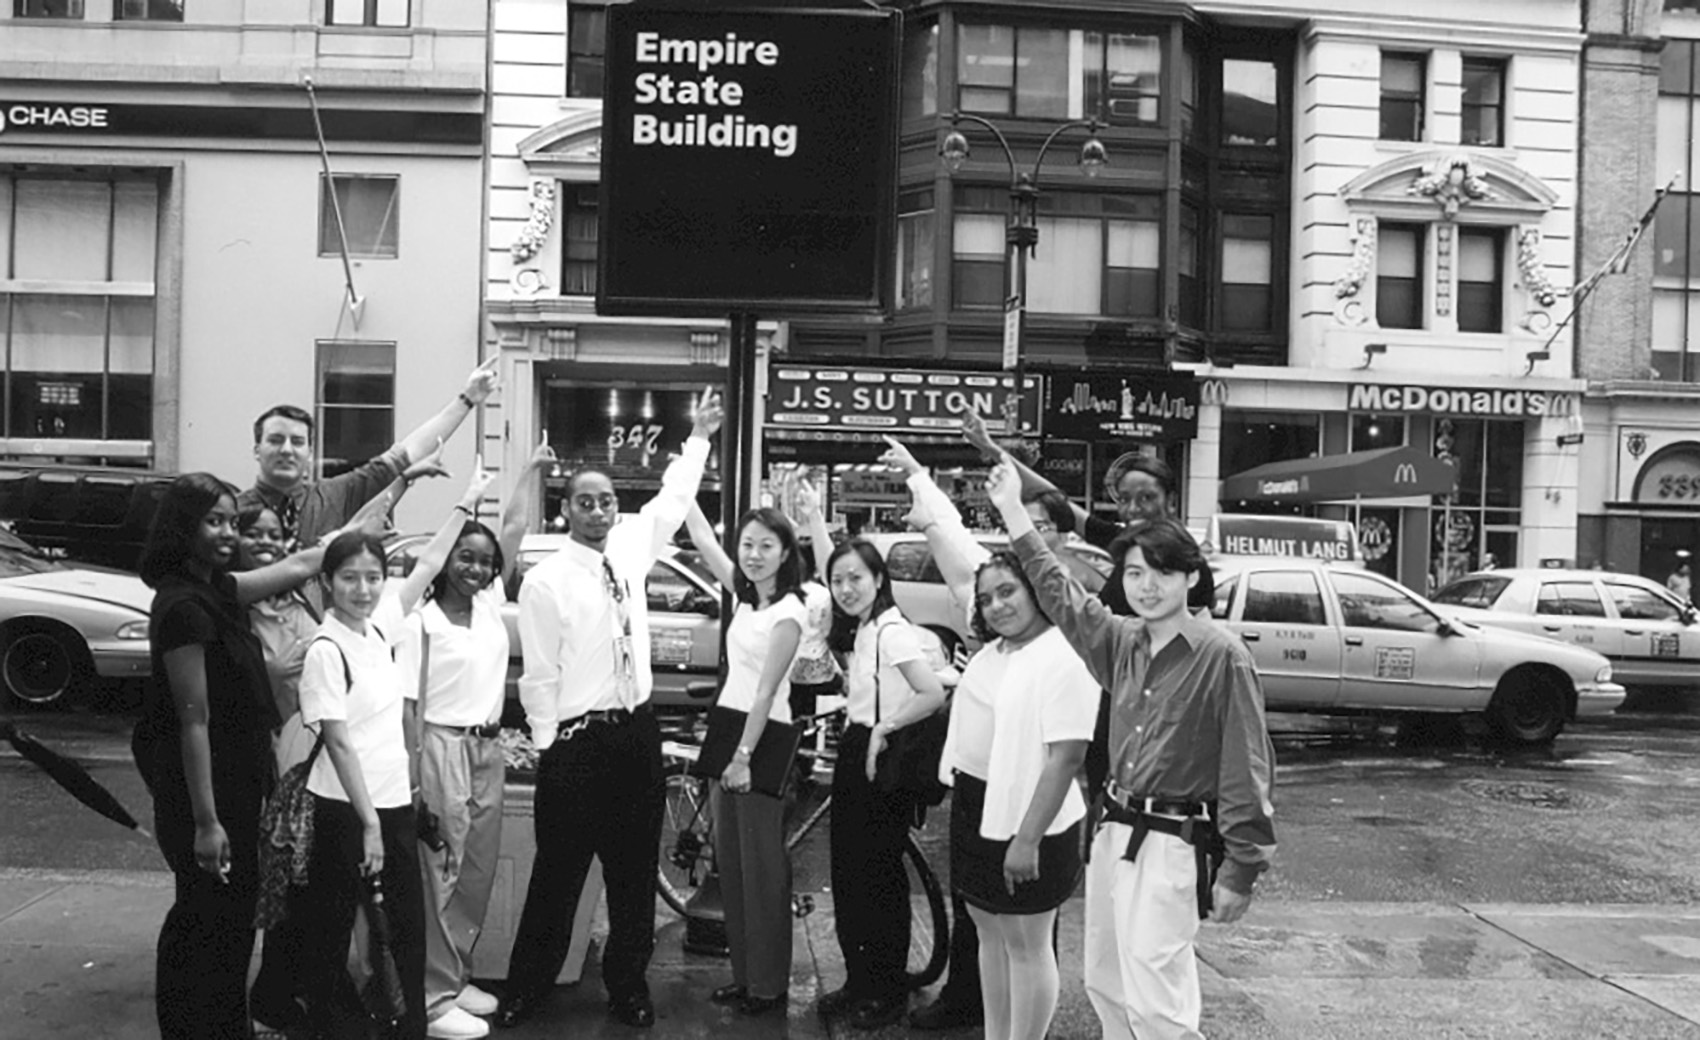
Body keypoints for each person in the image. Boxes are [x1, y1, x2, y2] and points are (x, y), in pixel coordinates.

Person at [986, 457, 1276, 1040]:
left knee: (1158, 1002)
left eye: (1163, 575)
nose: (1148, 587)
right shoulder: (1122, 642)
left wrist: (1241, 870)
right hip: (1114, 830)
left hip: (1173, 843)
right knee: (1106, 983)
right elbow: (1060, 594)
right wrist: (1015, 513)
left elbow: (1246, 769)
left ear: (1191, 579)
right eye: (1137, 574)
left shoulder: (1222, 657)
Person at [497, 389, 723, 1030]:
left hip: (635, 738)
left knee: (632, 878)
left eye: (606, 501)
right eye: (585, 502)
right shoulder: (545, 582)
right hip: (575, 744)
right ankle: (528, 987)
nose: (598, 510)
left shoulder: (629, 549)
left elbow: (674, 499)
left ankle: (628, 988)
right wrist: (549, 746)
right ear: (565, 509)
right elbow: (539, 676)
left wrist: (701, 436)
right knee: (557, 878)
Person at [137, 473, 373, 1040]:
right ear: (182, 527)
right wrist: (207, 821)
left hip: (239, 784)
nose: (226, 533)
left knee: (230, 921)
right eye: (212, 521)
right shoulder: (182, 609)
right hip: (209, 792)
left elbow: (299, 567)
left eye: (230, 521)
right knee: (206, 921)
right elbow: (193, 720)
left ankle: (220, 1025)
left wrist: (387, 496)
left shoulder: (214, 591)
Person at [295, 466, 494, 1040]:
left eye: (373, 577)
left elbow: (429, 562)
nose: (363, 589)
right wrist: (369, 825)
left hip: (390, 807)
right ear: (327, 583)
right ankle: (336, 1025)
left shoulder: (378, 628)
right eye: (350, 578)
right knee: (336, 929)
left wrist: (465, 501)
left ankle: (407, 1023)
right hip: (346, 811)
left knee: (405, 926)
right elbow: (338, 741)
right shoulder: (327, 649)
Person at [395, 441, 550, 1040]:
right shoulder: (419, 622)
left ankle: (453, 976)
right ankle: (430, 999)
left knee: (476, 869)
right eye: (466, 557)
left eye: (486, 561)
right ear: (445, 560)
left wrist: (529, 470)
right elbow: (409, 709)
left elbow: (513, 525)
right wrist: (413, 782)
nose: (479, 568)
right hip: (439, 747)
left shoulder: (489, 606)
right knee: (439, 868)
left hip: (489, 749)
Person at [940, 550, 1097, 1040]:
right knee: (989, 933)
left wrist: (1027, 839)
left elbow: (1066, 757)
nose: (996, 606)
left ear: (1036, 591)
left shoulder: (1064, 654)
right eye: (986, 599)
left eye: (1008, 591)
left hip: (1032, 817)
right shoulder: (993, 654)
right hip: (977, 807)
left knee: (1027, 942)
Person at [816, 537, 948, 1030]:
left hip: (883, 762)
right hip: (857, 752)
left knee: (878, 877)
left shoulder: (892, 631)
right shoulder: (865, 627)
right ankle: (859, 980)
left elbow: (931, 692)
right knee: (849, 873)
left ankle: (887, 988)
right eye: (837, 579)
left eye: (856, 578)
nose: (846, 588)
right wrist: (810, 517)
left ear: (879, 580)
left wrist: (883, 728)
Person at [683, 503, 809, 1016]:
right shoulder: (746, 599)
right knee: (731, 867)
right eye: (747, 545)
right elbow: (699, 534)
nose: (754, 555)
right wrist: (689, 462)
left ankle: (768, 985)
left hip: (761, 739)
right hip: (728, 728)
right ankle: (744, 974)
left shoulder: (789, 612)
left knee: (762, 871)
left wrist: (742, 757)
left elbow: (766, 692)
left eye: (766, 546)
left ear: (785, 554)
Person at [238, 357, 499, 550]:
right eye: (275, 440)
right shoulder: (232, 511)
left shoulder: (334, 495)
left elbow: (405, 454)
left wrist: (467, 399)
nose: (286, 449)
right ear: (256, 450)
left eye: (297, 442)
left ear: (309, 452)